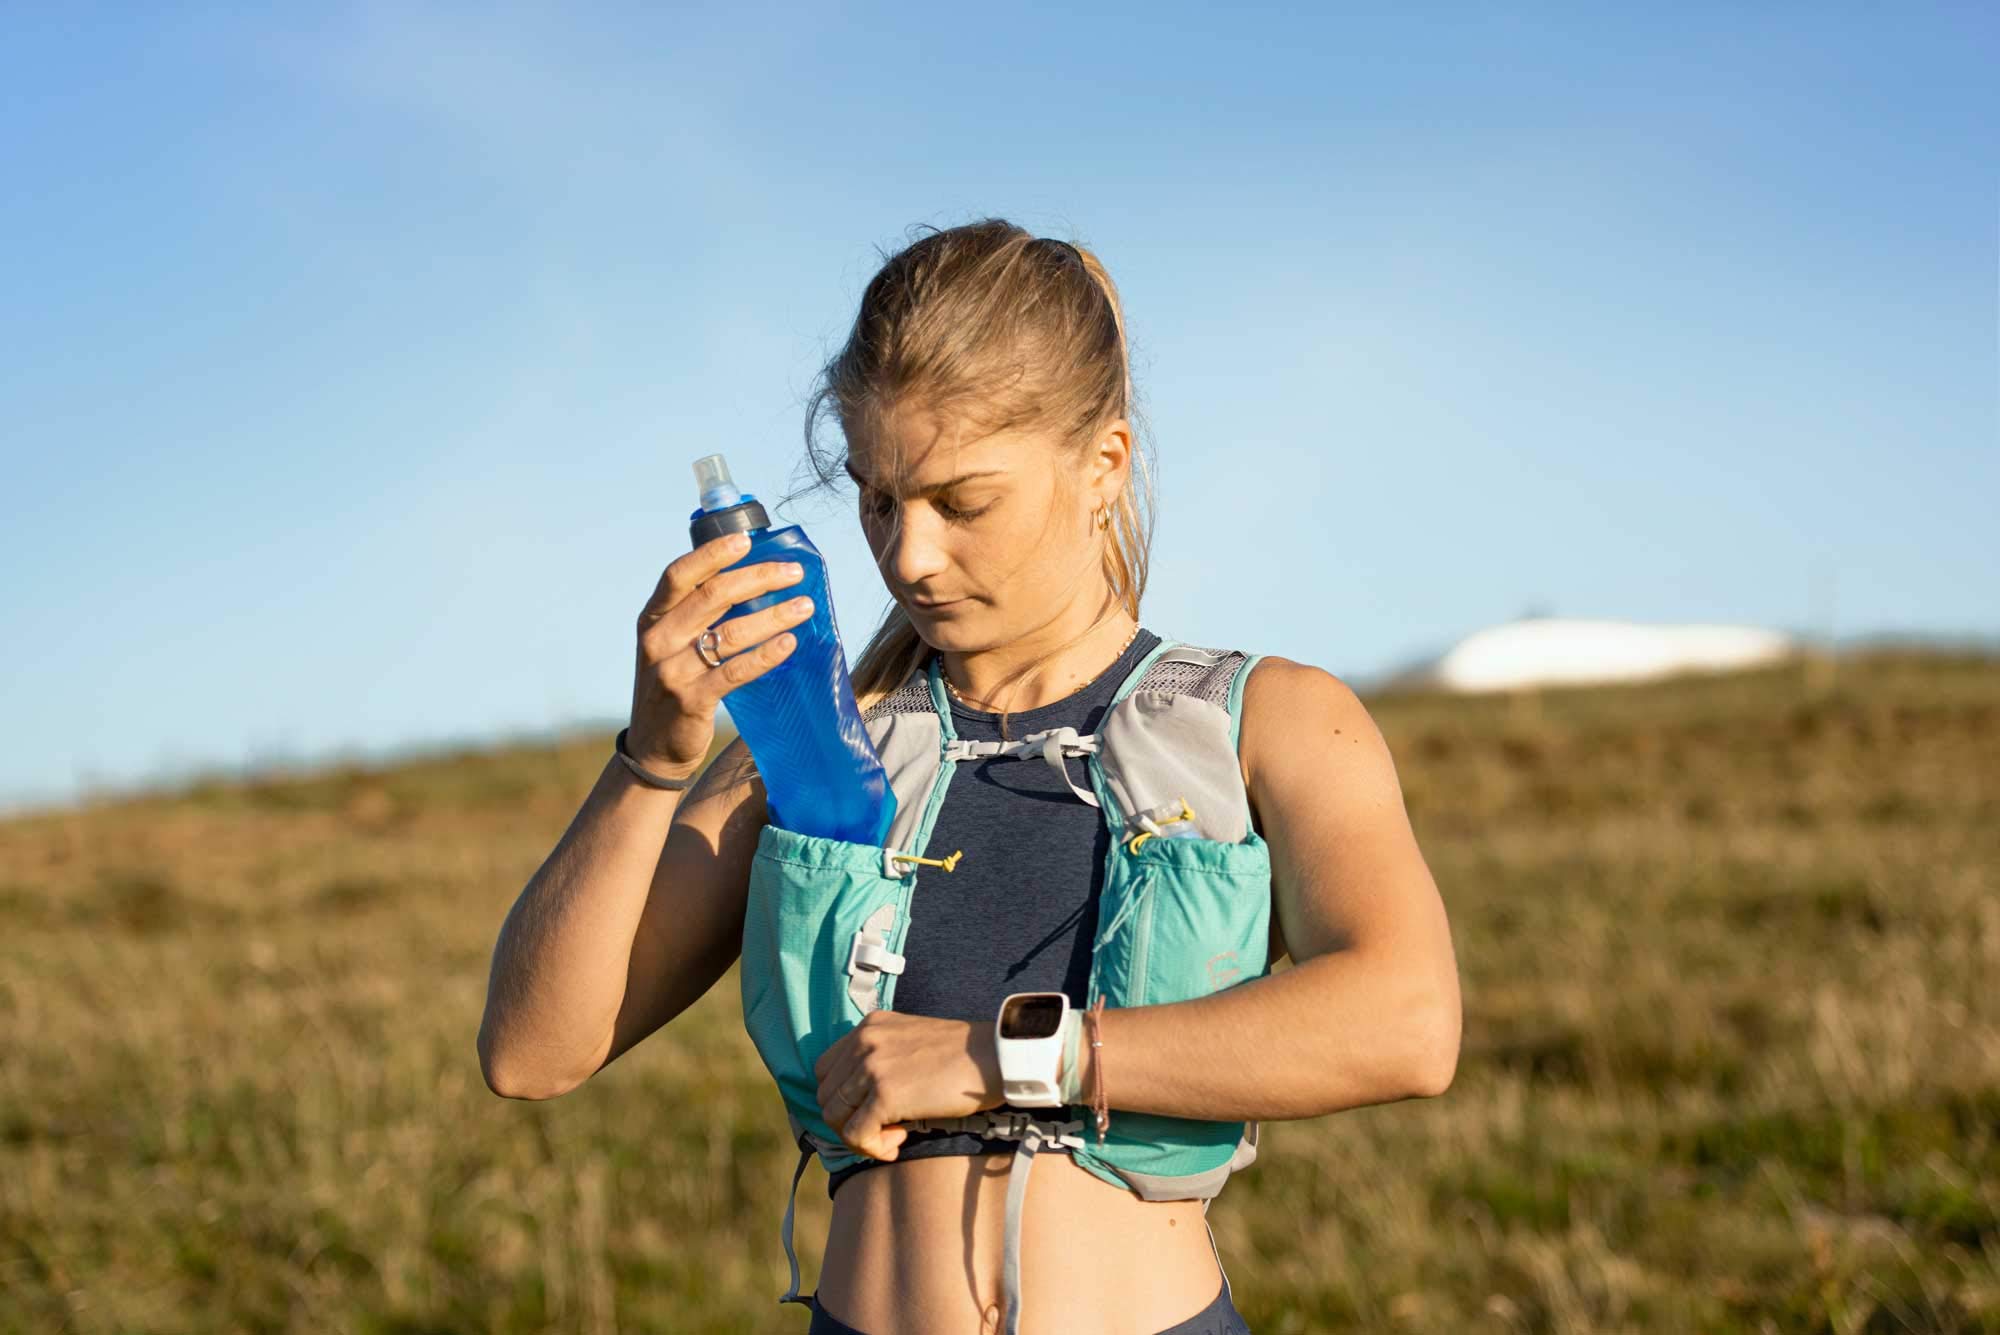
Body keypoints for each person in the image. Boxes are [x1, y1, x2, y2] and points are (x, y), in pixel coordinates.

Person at [476, 218, 1462, 1335]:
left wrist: (999, 1058)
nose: (906, 557)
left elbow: (1407, 1021)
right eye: (877, 499)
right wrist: (653, 759)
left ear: (1104, 465)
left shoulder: (1267, 719)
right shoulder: (808, 758)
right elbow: (531, 1052)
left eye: (961, 502)